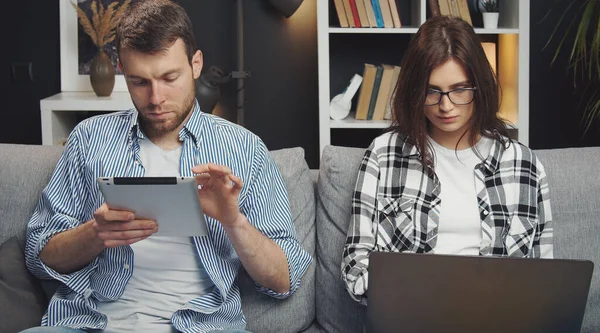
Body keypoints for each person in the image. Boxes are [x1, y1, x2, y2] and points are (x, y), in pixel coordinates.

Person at [22, 0, 312, 332]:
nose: (155, 98)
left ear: (196, 64)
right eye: (139, 82)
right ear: (123, 72)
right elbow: (38, 255)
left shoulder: (244, 149)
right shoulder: (90, 139)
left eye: (169, 77)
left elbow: (284, 280)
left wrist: (234, 222)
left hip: (200, 326)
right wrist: (95, 235)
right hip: (89, 322)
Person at [341, 15, 553, 304]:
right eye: (432, 91)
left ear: (480, 87)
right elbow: (355, 266)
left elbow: (544, 275)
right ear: (415, 91)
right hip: (412, 313)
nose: (446, 106)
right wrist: (402, 292)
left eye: (459, 90)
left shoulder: (523, 164)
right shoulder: (383, 154)